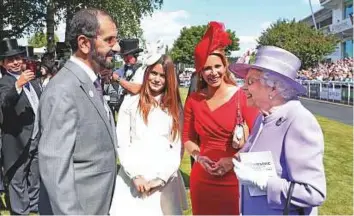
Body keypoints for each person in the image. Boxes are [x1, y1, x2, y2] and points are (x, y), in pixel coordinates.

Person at [37, 8, 119, 215]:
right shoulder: (63, 90)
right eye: (109, 40)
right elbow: (55, 171)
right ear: (84, 43)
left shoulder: (90, 83)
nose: (116, 47)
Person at [230, 46, 326, 215]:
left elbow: (313, 192)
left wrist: (266, 183)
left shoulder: (299, 120)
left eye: (250, 81)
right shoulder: (263, 116)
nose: (243, 87)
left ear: (273, 88)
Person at [182, 21, 259, 215]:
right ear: (200, 71)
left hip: (235, 178)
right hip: (202, 179)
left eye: (217, 66)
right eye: (207, 68)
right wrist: (199, 157)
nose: (213, 73)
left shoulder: (243, 96)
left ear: (225, 67)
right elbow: (187, 138)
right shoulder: (194, 99)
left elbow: (258, 139)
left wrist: (232, 160)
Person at [110, 52, 187, 215]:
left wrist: (160, 179)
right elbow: (122, 143)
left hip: (164, 182)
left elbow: (176, 148)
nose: (157, 79)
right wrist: (135, 175)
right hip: (133, 179)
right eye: (153, 73)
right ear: (146, 73)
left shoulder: (174, 109)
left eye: (162, 75)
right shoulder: (131, 103)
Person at [0, 38, 41, 215]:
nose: (16, 62)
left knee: (34, 175)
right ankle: (19, 211)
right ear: (3, 63)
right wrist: (18, 84)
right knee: (17, 178)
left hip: (37, 137)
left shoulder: (33, 82)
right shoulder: (6, 82)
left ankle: (33, 207)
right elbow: (5, 102)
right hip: (17, 140)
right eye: (11, 59)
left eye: (18, 58)